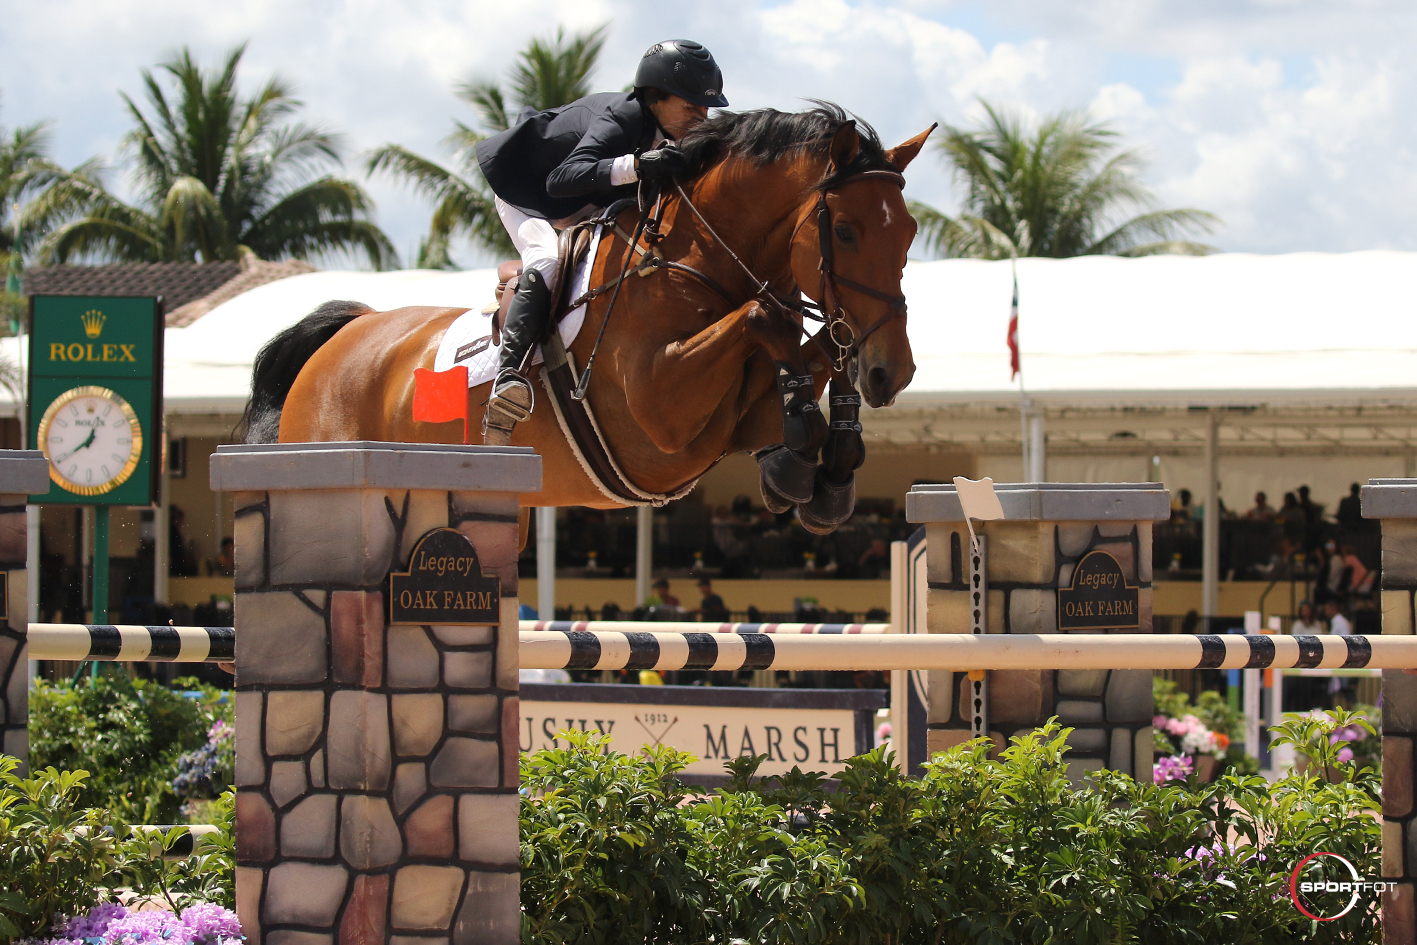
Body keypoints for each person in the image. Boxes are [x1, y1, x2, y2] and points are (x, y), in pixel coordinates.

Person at [474, 39, 728, 444]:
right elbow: (560, 181)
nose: (703, 116)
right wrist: (637, 164)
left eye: (706, 107)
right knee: (546, 261)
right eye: (692, 106)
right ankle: (508, 376)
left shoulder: (675, 133)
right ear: (656, 97)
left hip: (587, 201)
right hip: (529, 193)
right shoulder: (624, 116)